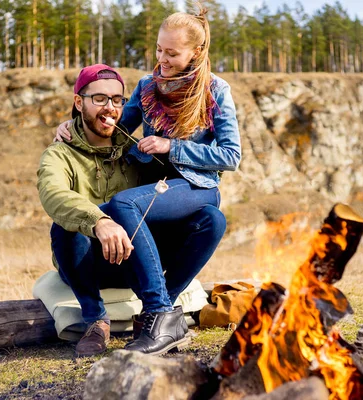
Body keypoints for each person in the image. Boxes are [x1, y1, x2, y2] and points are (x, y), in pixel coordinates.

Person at [54, 3, 241, 355]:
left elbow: (231, 156)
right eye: (159, 49)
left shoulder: (216, 90)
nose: (163, 58)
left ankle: (157, 311)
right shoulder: (146, 86)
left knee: (137, 205)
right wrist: (76, 123)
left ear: (197, 51)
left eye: (172, 52)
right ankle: (160, 316)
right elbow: (112, 128)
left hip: (196, 187)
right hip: (154, 191)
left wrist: (173, 147)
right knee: (207, 222)